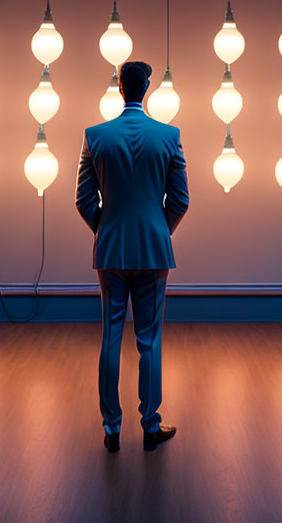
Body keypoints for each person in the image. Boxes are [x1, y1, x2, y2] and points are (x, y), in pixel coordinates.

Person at [75, 60, 189, 452]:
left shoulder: (95, 136)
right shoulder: (169, 136)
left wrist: (105, 229)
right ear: (148, 88)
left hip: (110, 250)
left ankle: (111, 429)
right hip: (154, 251)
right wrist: (160, 230)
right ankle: (151, 426)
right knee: (150, 340)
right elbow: (181, 200)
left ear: (120, 88)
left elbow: (83, 199)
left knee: (110, 336)